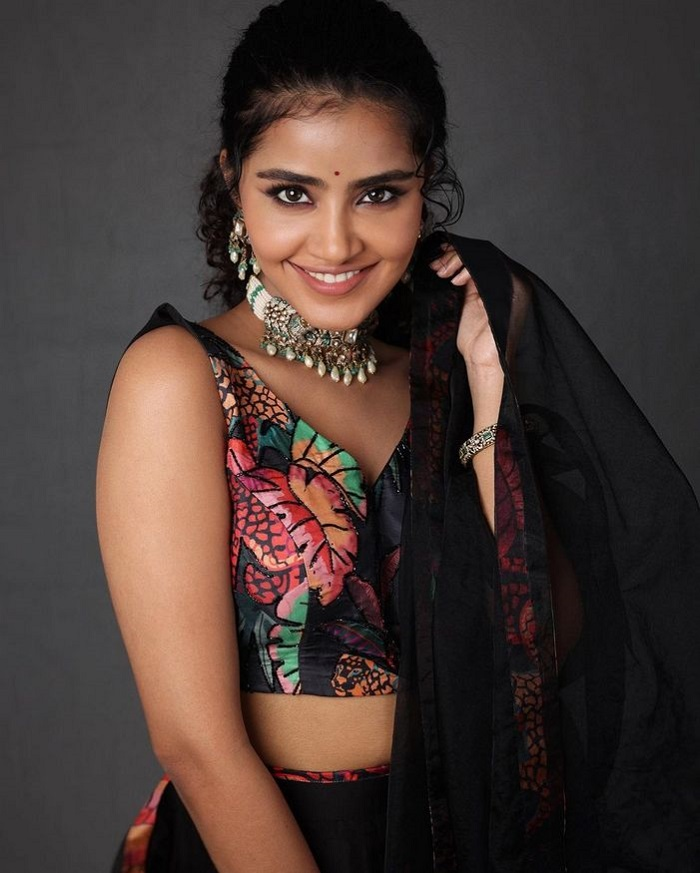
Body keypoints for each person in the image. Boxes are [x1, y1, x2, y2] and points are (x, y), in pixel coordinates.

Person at [97, 1, 700, 872]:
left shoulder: (437, 377)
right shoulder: (181, 379)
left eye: (379, 193)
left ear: (426, 185)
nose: (336, 241)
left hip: (464, 837)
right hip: (268, 838)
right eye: (292, 192)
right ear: (233, 180)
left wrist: (490, 396)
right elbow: (196, 745)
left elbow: (551, 648)